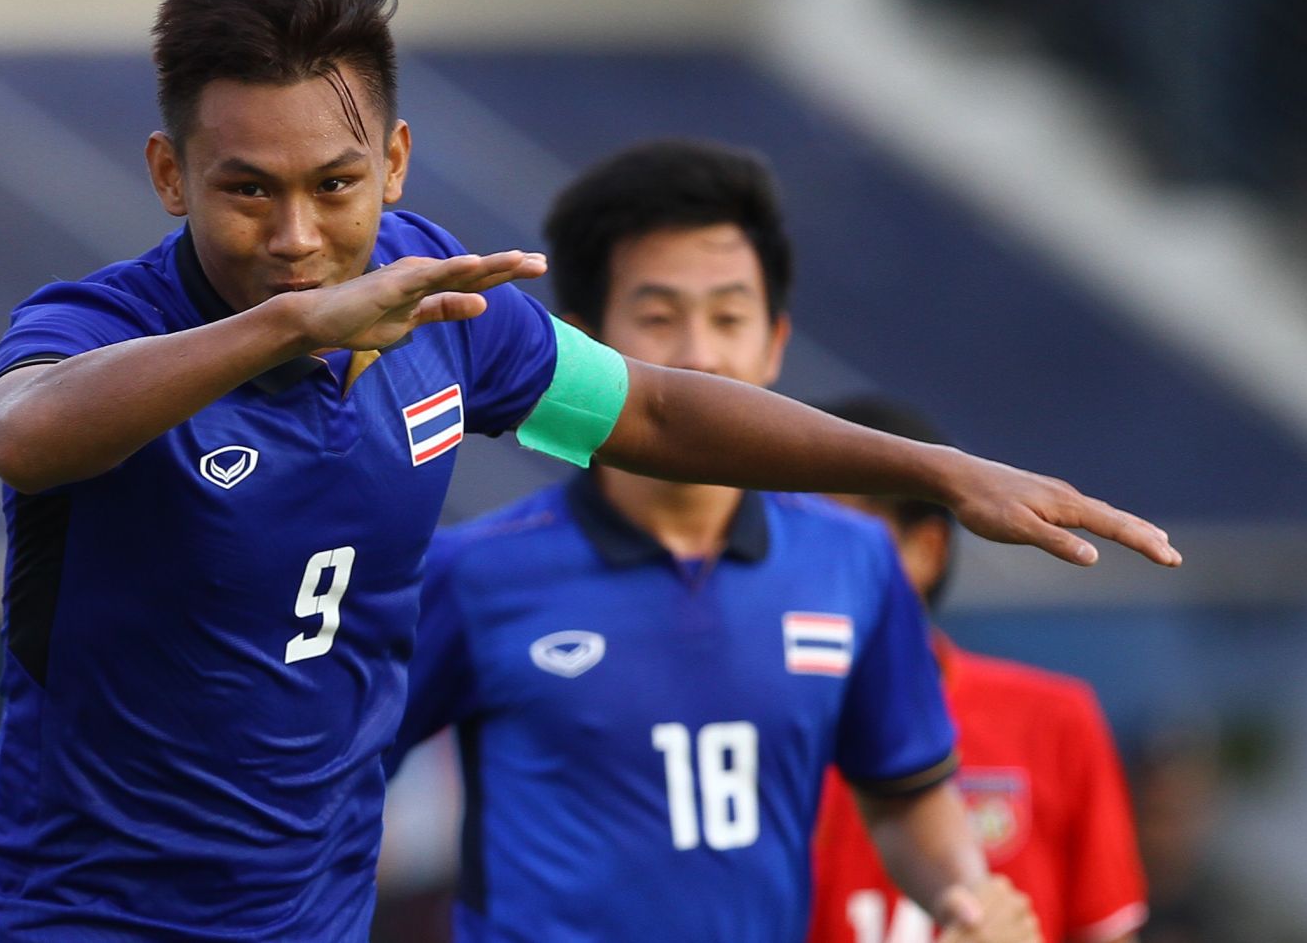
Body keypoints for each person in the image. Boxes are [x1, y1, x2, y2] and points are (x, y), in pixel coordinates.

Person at [0, 0, 1177, 941]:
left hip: (311, 920)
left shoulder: (439, 307)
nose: (298, 233)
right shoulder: (103, 329)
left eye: (335, 184)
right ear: (170, 176)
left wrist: (937, 469)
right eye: (247, 189)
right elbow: (25, 434)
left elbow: (653, 411)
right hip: (77, 915)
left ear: (395, 161)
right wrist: (290, 326)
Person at [387, 138, 1043, 943]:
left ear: (774, 342)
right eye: (659, 318)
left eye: (729, 317)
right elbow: (335, 783)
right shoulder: (475, 573)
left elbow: (904, 793)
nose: (700, 355)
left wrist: (968, 898)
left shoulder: (856, 561)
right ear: (581, 347)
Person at [807, 397, 1148, 943]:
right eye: (785, 543)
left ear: (927, 550)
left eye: (835, 543)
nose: (801, 570)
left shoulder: (1053, 720)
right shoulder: (743, 724)